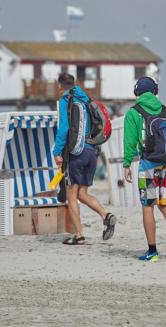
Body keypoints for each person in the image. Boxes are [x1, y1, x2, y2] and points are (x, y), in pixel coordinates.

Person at [123, 76, 166, 262]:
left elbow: (130, 142)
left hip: (148, 163)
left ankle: (152, 251)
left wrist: (126, 164)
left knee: (148, 205)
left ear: (137, 93)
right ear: (155, 91)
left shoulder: (134, 112)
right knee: (164, 203)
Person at [53, 73, 116, 245]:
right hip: (92, 153)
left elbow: (64, 128)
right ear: (74, 83)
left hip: (77, 153)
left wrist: (57, 152)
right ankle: (106, 215)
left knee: (71, 195)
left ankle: (79, 235)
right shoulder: (86, 99)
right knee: (82, 193)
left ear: (59, 86)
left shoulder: (66, 100)